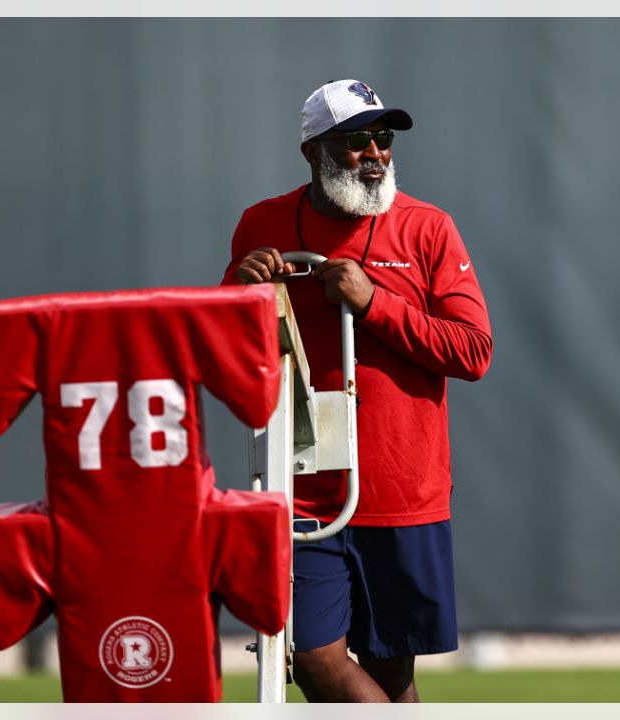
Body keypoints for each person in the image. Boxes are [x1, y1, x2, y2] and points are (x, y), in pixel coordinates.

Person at [221, 79, 492, 702]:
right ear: (313, 151)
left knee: (394, 674)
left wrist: (374, 303)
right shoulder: (261, 223)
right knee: (313, 661)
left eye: (384, 139)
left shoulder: (428, 227)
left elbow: (474, 352)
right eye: (356, 141)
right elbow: (227, 355)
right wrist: (240, 292)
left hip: (402, 491)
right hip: (302, 486)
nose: (376, 154)